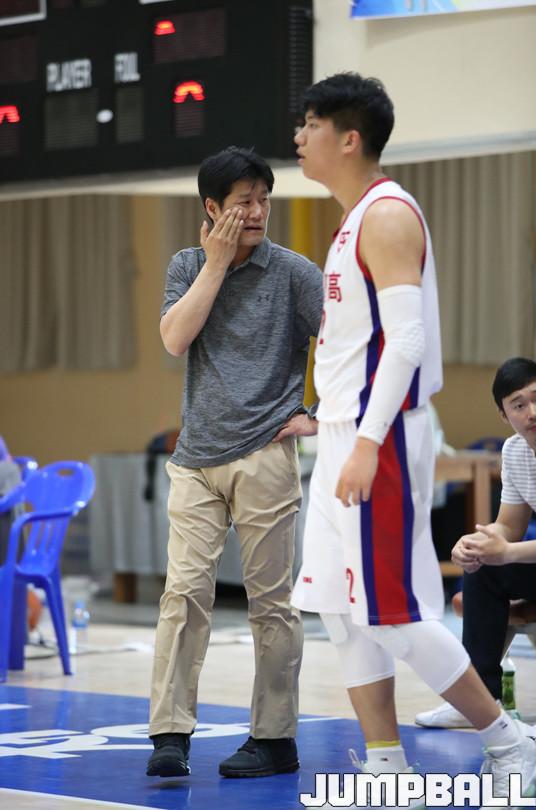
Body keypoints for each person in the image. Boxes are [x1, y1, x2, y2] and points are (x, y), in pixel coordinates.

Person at [291, 73, 536, 808]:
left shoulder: (388, 214)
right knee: (340, 608)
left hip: (382, 436)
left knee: (391, 613)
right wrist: (330, 424)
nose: (298, 137)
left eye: (309, 124)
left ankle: (510, 741)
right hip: (345, 434)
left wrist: (368, 442)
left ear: (349, 138)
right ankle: (386, 765)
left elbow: (406, 341)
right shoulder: (351, 220)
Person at [146, 146, 323, 780]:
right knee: (183, 593)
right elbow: (175, 339)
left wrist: (319, 415)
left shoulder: (295, 272)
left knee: (271, 603)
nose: (257, 212)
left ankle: (274, 738)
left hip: (265, 454)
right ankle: (170, 733)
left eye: (264, 200)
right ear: (211, 207)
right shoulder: (188, 265)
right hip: (196, 459)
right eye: (244, 201)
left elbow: (348, 345)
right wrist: (217, 265)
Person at [416, 356, 536, 730]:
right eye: (519, 405)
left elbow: (512, 546)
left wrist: (509, 551)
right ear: (504, 415)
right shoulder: (515, 451)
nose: (533, 412)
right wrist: (479, 543)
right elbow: (509, 525)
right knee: (482, 566)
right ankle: (480, 702)